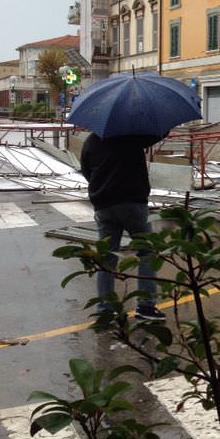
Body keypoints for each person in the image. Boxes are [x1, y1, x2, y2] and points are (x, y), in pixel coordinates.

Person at [80, 132, 166, 321]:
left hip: (103, 205)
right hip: (131, 203)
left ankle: (105, 309)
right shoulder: (131, 136)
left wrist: (103, 186)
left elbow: (86, 171)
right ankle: (146, 306)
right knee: (146, 251)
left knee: (107, 258)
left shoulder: (90, 141)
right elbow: (157, 134)